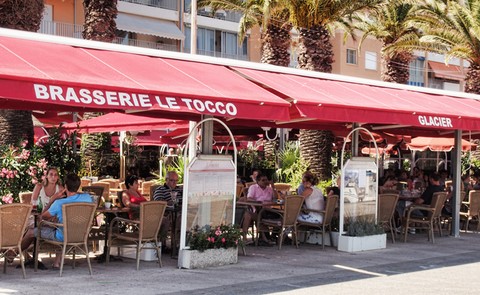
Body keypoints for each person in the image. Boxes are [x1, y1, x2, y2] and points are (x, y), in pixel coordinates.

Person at [20, 173, 94, 269]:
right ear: (78, 186)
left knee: (30, 231)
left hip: (61, 236)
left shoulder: (59, 203)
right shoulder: (88, 198)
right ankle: (56, 263)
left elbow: (42, 218)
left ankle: (13, 253)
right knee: (62, 226)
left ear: (65, 186)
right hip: (81, 235)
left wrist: (52, 200)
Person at [153, 171, 183, 251]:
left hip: (178, 212)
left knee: (183, 218)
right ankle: (164, 245)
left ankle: (177, 245)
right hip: (165, 213)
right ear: (166, 180)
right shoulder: (160, 189)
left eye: (176, 181)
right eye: (172, 180)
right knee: (170, 219)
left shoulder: (180, 190)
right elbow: (158, 202)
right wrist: (168, 202)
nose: (174, 183)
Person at [242, 172, 274, 245]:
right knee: (248, 215)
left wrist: (273, 186)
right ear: (258, 181)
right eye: (263, 180)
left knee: (282, 215)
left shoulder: (269, 189)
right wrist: (259, 202)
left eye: (266, 180)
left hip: (268, 211)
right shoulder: (253, 187)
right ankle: (245, 238)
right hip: (257, 210)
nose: (265, 182)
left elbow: (275, 199)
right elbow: (249, 199)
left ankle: (270, 237)